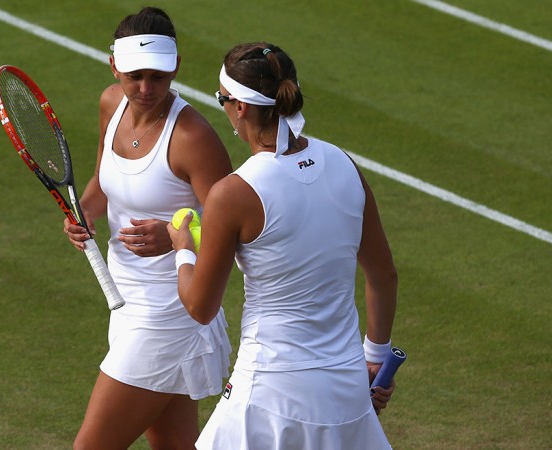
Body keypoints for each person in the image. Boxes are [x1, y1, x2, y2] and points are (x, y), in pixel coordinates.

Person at [167, 42, 398, 449]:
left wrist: (183, 247)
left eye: (222, 100)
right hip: (344, 392)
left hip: (268, 394)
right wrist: (375, 358)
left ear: (239, 107)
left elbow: (200, 307)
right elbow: (383, 274)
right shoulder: (345, 164)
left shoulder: (232, 194)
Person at [63, 7, 233, 450]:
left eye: (157, 77)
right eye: (134, 75)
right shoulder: (110, 104)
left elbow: (232, 228)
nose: (145, 88)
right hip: (125, 302)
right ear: (113, 65)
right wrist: (83, 210)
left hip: (169, 314)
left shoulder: (193, 138)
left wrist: (178, 237)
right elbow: (104, 182)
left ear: (175, 67)